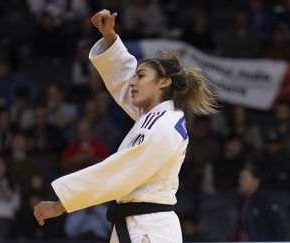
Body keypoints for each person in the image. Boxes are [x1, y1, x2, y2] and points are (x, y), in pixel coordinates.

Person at [33, 9, 217, 243]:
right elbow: (122, 77)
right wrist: (109, 36)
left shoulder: (163, 125)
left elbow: (122, 170)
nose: (133, 81)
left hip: (149, 230)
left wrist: (63, 204)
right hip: (137, 226)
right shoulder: (155, 117)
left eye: (141, 76)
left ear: (163, 82)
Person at [230, 163, 288, 241]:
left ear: (256, 181)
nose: (241, 181)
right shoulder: (242, 200)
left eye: (244, 178)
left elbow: (279, 226)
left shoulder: (265, 200)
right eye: (240, 178)